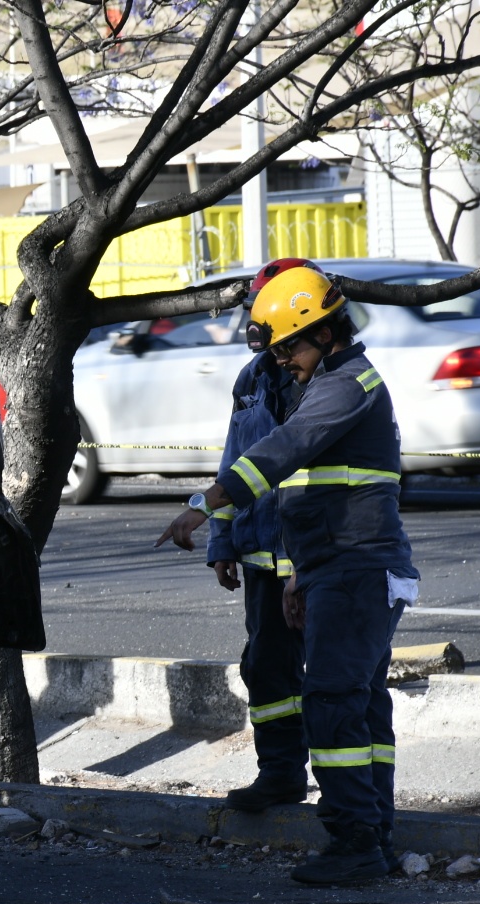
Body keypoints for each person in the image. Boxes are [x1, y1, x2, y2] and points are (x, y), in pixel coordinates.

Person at [156, 265, 417, 885]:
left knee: (331, 700)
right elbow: (312, 492)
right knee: (356, 701)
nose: (283, 361)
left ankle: (355, 838)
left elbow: (282, 452)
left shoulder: (346, 385)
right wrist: (299, 571)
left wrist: (202, 505)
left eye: (288, 346)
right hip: (337, 567)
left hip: (357, 569)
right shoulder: (328, 379)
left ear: (324, 332)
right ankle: (370, 833)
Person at [210, 259, 312, 813]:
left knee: (328, 673)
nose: (256, 318)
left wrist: (301, 565)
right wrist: (221, 542)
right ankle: (280, 775)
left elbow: (311, 480)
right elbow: (236, 460)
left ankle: (350, 796)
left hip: (310, 557)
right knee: (265, 668)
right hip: (258, 557)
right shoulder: (252, 379)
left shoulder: (322, 380)